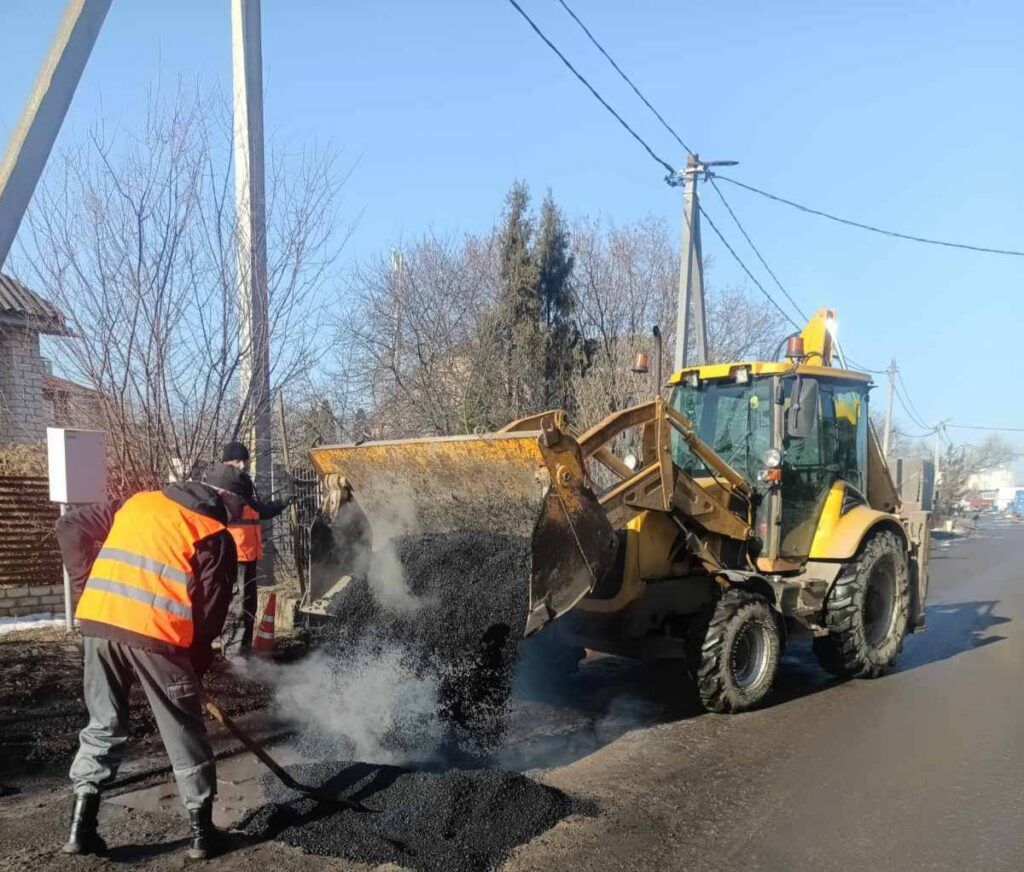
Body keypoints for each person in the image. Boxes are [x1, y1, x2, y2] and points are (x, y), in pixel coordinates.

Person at [55, 463, 249, 860]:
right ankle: (201, 834)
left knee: (103, 725)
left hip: (98, 625)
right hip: (156, 635)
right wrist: (194, 663)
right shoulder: (214, 535)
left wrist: (85, 590)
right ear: (226, 498)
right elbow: (209, 617)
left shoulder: (137, 503)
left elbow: (70, 526)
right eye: (242, 508)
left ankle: (81, 828)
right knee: (182, 728)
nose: (241, 517)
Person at [217, 441, 291, 657]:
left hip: (248, 553)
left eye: (244, 461)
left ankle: (243, 650)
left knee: (248, 604)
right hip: (235, 554)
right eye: (237, 461)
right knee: (237, 606)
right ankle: (233, 655)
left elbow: (260, 510)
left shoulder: (242, 485)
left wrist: (283, 503)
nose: (242, 465)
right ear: (226, 461)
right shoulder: (225, 486)